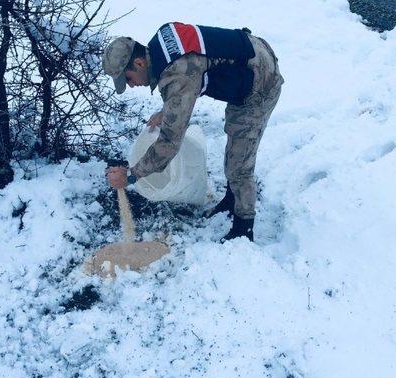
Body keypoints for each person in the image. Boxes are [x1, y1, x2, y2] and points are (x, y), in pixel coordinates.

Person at [103, 22, 283, 241]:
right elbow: (189, 78)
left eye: (128, 79)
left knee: (239, 162)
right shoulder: (160, 45)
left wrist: (131, 175)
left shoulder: (176, 74)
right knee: (235, 142)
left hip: (261, 80)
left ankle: (243, 227)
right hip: (249, 59)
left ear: (139, 63)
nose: (130, 86)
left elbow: (170, 142)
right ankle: (231, 199)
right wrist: (166, 111)